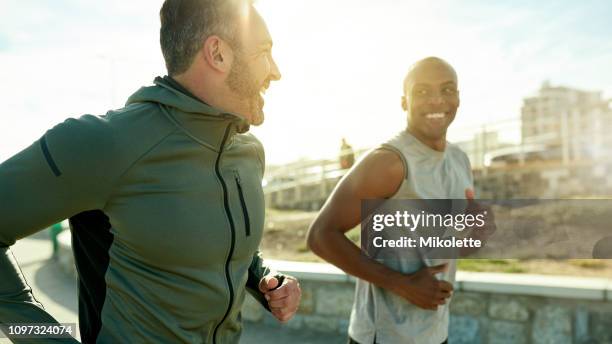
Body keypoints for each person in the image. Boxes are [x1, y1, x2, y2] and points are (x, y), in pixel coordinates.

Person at [0, 1, 301, 343]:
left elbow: (218, 244)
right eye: (264, 52)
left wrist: (266, 278)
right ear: (217, 53)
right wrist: (41, 337)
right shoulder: (104, 142)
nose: (275, 71)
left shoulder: (248, 152)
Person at [307, 57, 475, 344]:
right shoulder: (389, 162)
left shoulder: (460, 160)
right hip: (383, 336)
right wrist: (403, 285)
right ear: (404, 102)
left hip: (435, 333)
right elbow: (320, 236)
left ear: (458, 97)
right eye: (422, 91)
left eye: (447, 90)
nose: (436, 100)